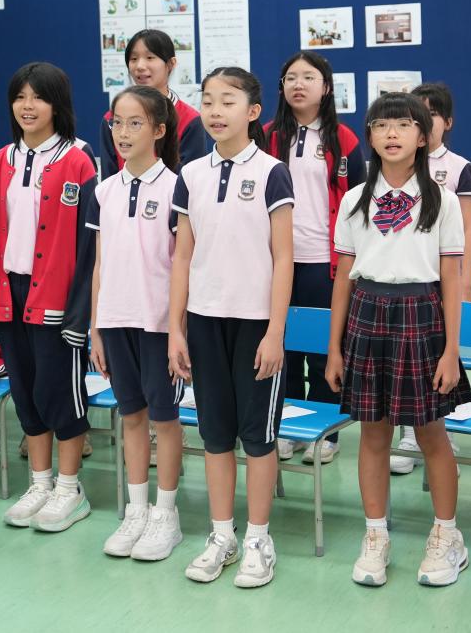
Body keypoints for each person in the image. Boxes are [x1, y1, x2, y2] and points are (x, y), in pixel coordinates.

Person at [325, 91, 471, 588]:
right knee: (373, 433)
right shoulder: (354, 199)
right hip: (367, 313)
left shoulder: (442, 199)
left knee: (430, 432)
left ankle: (447, 535)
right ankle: (375, 535)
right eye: (382, 125)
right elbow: (343, 277)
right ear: (369, 136)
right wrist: (334, 348)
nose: (392, 133)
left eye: (404, 124)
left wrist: (451, 350)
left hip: (420, 313)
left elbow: (450, 278)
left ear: (423, 137)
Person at [168, 67, 294, 589]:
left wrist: (275, 332)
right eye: (207, 101)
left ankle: (259, 539)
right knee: (215, 435)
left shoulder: (272, 172)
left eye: (228, 101)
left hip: (256, 325)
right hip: (203, 321)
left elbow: (283, 256)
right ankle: (223, 535)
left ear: (253, 111)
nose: (215, 111)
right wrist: (176, 329)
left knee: (257, 437)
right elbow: (182, 256)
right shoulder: (191, 174)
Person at [0, 62, 98, 533]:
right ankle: (40, 482)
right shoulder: (0, 160)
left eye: (38, 97)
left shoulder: (79, 159)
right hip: (10, 292)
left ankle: (70, 489)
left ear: (58, 104)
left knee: (60, 393)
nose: (27, 106)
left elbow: (90, 244)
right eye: (20, 97)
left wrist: (80, 309)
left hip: (57, 296)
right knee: (26, 391)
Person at [89, 86, 185, 561]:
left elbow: (182, 264)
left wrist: (178, 331)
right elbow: (99, 264)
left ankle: (166, 515)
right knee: (131, 416)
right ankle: (137, 510)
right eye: (117, 123)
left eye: (135, 123)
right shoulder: (104, 190)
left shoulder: (177, 188)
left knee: (164, 419)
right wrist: (95, 327)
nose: (123, 133)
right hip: (115, 320)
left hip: (159, 325)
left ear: (159, 130)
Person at [263, 51, 364, 465]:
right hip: (277, 262)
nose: (298, 84)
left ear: (326, 88)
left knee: (325, 348)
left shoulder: (345, 139)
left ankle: (326, 433)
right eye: (290, 78)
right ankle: (287, 426)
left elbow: (358, 202)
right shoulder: (265, 136)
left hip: (326, 262)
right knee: (283, 347)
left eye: (308, 77)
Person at [392, 82, 471, 475]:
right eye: (416, 115)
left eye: (431, 114)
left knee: (437, 361)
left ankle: (439, 436)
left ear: (448, 121)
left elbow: (470, 232)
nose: (424, 122)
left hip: (440, 282)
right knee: (401, 365)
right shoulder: (395, 165)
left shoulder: (459, 168)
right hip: (404, 283)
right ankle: (408, 436)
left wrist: (465, 284)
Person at [98, 29, 208, 178]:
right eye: (133, 59)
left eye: (150, 57)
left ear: (171, 63)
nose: (140, 66)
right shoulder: (111, 120)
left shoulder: (190, 120)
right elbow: (108, 179)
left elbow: (192, 180)